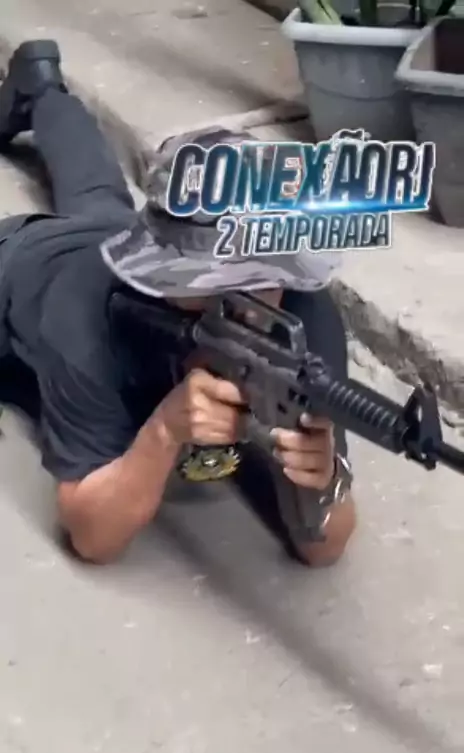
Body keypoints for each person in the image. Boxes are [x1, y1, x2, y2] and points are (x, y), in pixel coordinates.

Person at [0, 40, 356, 567]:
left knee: (98, 194)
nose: (242, 307)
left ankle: (42, 88)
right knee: (90, 212)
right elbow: (94, 537)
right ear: (159, 273)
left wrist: (323, 481)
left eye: (261, 279)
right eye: (212, 284)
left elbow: (324, 547)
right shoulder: (82, 314)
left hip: (108, 231)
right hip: (23, 265)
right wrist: (164, 431)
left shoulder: (301, 319)